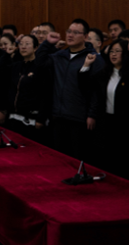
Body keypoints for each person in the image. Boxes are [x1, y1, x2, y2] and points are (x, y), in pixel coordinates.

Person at [36, 18, 104, 161]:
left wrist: (92, 114)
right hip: (58, 116)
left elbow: (96, 90)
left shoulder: (93, 58)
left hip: (79, 118)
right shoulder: (59, 56)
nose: (70, 35)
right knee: (59, 160)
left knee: (77, 159)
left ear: (85, 37)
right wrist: (47, 43)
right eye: (69, 31)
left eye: (76, 32)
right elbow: (40, 63)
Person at [85, 39, 129, 183]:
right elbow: (87, 88)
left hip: (125, 124)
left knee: (124, 162)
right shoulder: (105, 74)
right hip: (106, 122)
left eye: (118, 51)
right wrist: (86, 66)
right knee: (106, 160)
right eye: (111, 51)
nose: (114, 54)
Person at [6, 34, 52, 144]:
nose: (23, 47)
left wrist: (41, 118)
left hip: (31, 119)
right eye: (21, 44)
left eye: (27, 44)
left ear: (36, 48)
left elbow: (46, 94)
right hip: (14, 117)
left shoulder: (41, 68)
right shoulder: (15, 66)